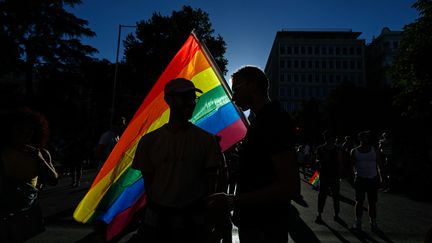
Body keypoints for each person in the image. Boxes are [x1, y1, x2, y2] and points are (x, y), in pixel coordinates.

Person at [208, 66, 300, 243]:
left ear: (253, 85)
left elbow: (290, 186)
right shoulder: (262, 120)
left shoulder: (273, 120)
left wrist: (233, 200)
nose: (233, 98)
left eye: (237, 89)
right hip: (256, 224)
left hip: (264, 227)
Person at [128, 78, 226, 243]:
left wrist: (215, 223)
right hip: (158, 223)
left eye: (192, 98)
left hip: (194, 224)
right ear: (168, 99)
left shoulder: (207, 141)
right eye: (184, 97)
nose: (190, 103)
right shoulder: (149, 142)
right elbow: (149, 184)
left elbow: (212, 185)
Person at [0, 107, 58, 242]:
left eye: (29, 130)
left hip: (26, 211)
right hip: (4, 209)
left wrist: (41, 160)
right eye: (20, 129)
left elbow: (54, 180)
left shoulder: (41, 153)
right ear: (11, 130)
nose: (24, 134)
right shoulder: (3, 151)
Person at [350, 130, 383, 232]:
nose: (366, 139)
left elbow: (379, 165)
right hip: (360, 179)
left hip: (372, 180)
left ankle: (373, 222)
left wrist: (382, 178)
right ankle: (358, 222)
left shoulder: (375, 150)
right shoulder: (354, 151)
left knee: (372, 203)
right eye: (364, 137)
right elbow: (352, 167)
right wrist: (353, 179)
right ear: (360, 138)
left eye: (367, 137)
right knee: (359, 202)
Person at [314, 130, 343, 224]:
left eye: (329, 137)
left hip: (334, 175)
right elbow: (316, 160)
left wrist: (340, 174)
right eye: (326, 137)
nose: (328, 138)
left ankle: (336, 214)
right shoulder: (320, 148)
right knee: (322, 195)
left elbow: (339, 161)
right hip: (324, 175)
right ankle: (319, 214)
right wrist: (320, 161)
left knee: (335, 196)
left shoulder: (337, 149)